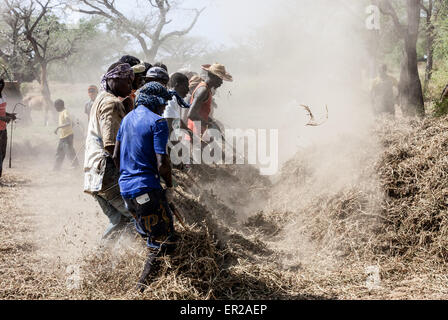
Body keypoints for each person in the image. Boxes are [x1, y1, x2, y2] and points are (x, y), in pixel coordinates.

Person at [113, 81, 176, 252]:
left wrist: (127, 177)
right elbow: (162, 163)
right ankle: (143, 280)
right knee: (164, 244)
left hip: (126, 190)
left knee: (151, 238)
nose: (164, 109)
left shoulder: (126, 120)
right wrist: (169, 186)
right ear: (155, 101)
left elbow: (115, 156)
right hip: (146, 188)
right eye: (163, 104)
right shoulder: (158, 122)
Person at [84, 62, 135, 239]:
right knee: (136, 216)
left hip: (93, 170)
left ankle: (101, 260)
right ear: (113, 80)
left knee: (119, 221)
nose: (130, 86)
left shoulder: (100, 98)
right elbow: (111, 144)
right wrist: (126, 174)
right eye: (127, 82)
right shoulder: (112, 103)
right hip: (107, 169)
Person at [187, 63, 232, 142]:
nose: (221, 82)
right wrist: (209, 125)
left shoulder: (206, 89)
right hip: (196, 135)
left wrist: (213, 123)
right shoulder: (203, 90)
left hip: (200, 135)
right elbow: (191, 114)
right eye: (220, 78)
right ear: (213, 76)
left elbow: (201, 113)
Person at [53, 99, 79, 171]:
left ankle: (75, 166)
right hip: (63, 136)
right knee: (59, 152)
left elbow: (69, 123)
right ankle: (56, 168)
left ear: (60, 106)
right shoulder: (62, 112)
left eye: (56, 107)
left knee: (69, 151)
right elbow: (72, 124)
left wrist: (58, 127)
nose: (55, 108)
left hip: (67, 136)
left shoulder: (65, 112)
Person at [0, 79, 16, 179]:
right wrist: (4, 118)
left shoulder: (3, 97)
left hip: (3, 129)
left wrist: (10, 115)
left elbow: (2, 113)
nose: (0, 86)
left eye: (2, 84)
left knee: (3, 154)